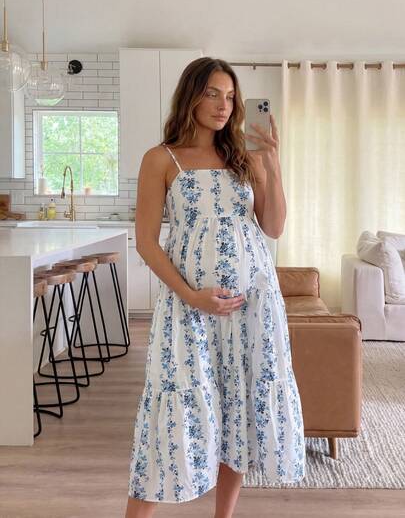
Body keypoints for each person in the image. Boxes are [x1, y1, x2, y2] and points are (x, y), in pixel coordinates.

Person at [125, 57, 306, 518]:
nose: (223, 105)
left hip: (252, 304)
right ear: (190, 96)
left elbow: (273, 226)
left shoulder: (244, 156)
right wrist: (191, 295)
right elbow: (146, 242)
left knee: (238, 409)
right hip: (189, 308)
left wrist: (273, 164)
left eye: (230, 96)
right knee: (175, 413)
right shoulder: (161, 159)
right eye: (212, 94)